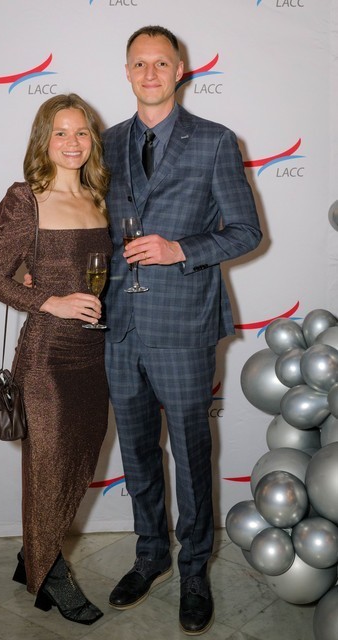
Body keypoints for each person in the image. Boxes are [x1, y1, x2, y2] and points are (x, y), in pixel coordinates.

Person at [102, 26, 262, 635]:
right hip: (119, 325)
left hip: (184, 324)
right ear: (127, 71)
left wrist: (180, 250)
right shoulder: (105, 143)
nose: (150, 73)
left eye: (161, 63)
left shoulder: (216, 141)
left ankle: (194, 569)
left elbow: (246, 231)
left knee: (192, 454)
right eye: (139, 63)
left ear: (180, 69)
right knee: (137, 451)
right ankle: (151, 556)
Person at [0, 93, 111, 626]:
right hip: (47, 358)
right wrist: (51, 301)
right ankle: (51, 575)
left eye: (81, 132)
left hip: (95, 353)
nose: (72, 142)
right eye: (60, 132)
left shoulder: (101, 197)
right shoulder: (26, 200)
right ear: (44, 139)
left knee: (77, 463)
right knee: (48, 469)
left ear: (92, 140)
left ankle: (30, 557)